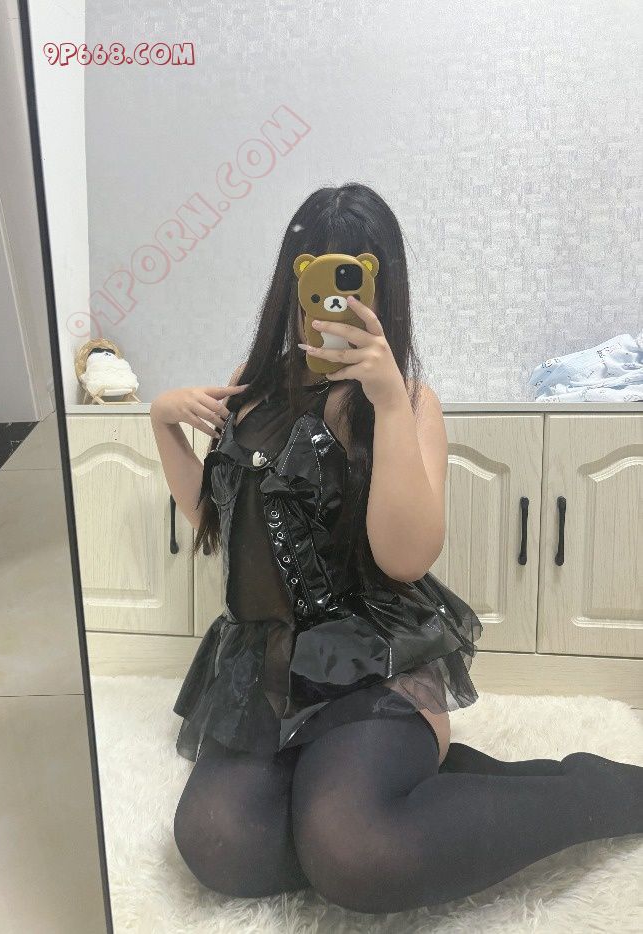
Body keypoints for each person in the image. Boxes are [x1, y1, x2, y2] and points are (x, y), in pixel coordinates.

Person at [150, 183, 643, 914]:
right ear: (292, 283)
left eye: (353, 281)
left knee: (354, 850)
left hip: (374, 664)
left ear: (383, 288)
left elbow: (404, 560)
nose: (334, 303)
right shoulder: (248, 395)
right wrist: (163, 426)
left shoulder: (409, 400)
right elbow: (217, 521)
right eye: (317, 278)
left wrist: (384, 404)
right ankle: (400, 791)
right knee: (220, 844)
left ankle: (592, 790)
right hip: (267, 667)